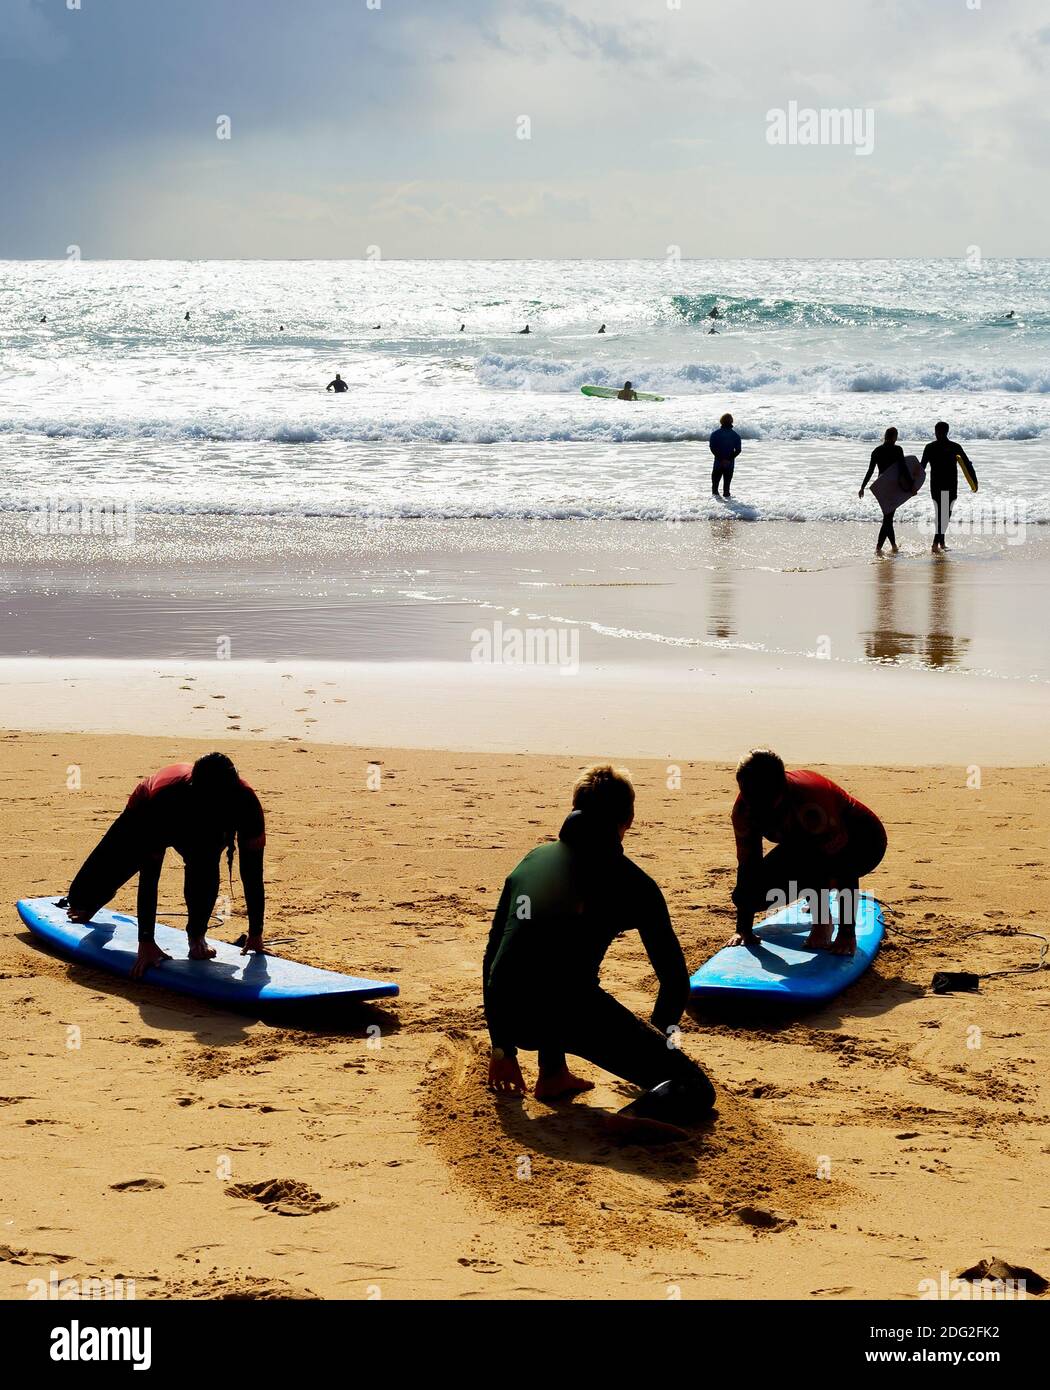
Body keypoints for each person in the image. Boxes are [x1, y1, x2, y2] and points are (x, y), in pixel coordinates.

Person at [484, 765, 715, 1130]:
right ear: (629, 820)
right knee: (695, 1088)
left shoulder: (532, 861)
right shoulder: (635, 884)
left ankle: (553, 1073)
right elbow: (674, 981)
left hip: (512, 1017)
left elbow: (494, 956)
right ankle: (631, 1118)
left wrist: (502, 1049)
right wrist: (656, 1041)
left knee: (554, 958)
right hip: (570, 1013)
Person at [62, 754, 267, 980]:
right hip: (145, 812)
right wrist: (146, 941)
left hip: (200, 830)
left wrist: (256, 934)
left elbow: (252, 873)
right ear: (197, 791)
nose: (216, 807)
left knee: (205, 870)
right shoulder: (168, 799)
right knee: (81, 898)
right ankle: (87, 902)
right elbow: (149, 875)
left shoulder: (246, 803)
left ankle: (197, 937)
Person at [728, 750, 886, 957]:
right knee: (755, 897)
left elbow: (842, 865)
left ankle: (824, 917)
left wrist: (846, 932)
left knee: (817, 862)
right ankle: (821, 893)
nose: (756, 806)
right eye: (749, 797)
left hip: (863, 843)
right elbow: (749, 866)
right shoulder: (744, 809)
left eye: (764, 800)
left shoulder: (811, 806)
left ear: (780, 788)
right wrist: (743, 928)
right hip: (803, 846)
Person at [921, 422, 977, 553]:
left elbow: (921, 467)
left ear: (936, 431)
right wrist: (974, 481)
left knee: (941, 513)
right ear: (947, 431)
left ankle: (941, 542)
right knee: (945, 514)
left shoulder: (930, 447)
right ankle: (936, 543)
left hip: (936, 484)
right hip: (949, 484)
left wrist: (912, 484)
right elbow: (968, 465)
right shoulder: (954, 447)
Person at [859, 426, 910, 554]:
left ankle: (890, 546)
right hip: (893, 486)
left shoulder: (876, 451)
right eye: (896, 436)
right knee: (888, 518)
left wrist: (863, 487)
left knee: (888, 517)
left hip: (881, 486)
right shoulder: (898, 450)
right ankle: (882, 547)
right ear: (893, 437)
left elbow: (870, 471)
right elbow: (903, 469)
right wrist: (911, 485)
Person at [708, 412, 741, 496]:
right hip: (729, 464)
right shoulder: (735, 435)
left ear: (721, 421)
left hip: (718, 464)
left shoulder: (715, 434)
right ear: (731, 422)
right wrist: (728, 460)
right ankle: (731, 507)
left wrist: (721, 459)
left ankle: (714, 508)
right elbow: (738, 450)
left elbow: (712, 448)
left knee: (714, 490)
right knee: (726, 490)